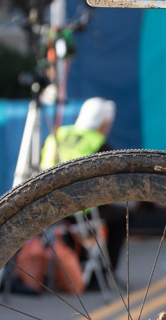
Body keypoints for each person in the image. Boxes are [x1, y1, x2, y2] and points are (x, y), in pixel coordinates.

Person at [39, 97, 126, 272]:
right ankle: (102, 273)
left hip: (46, 205)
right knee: (122, 216)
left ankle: (78, 262)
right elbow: (113, 183)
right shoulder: (97, 142)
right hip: (79, 209)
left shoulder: (57, 133)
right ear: (102, 122)